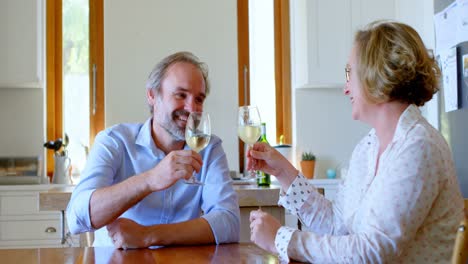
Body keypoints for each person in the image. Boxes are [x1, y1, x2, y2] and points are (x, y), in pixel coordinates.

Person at [248, 21, 465, 263]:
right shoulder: (368, 147)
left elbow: (373, 252)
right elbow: (336, 224)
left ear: (378, 73)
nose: (346, 87)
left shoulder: (419, 147)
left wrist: (283, 239)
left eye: (349, 72)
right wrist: (283, 171)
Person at [67, 51, 240, 249]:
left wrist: (148, 235)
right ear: (152, 95)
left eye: (199, 99)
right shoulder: (114, 141)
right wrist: (149, 180)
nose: (192, 109)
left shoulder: (209, 149)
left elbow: (229, 223)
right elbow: (77, 218)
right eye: (180, 95)